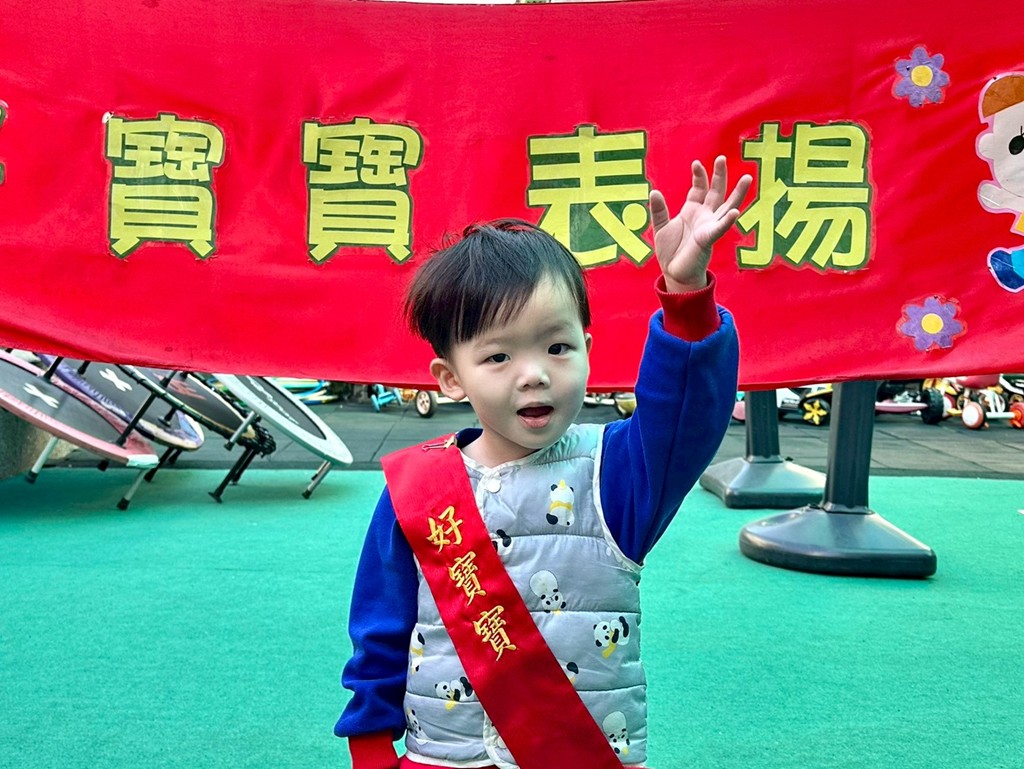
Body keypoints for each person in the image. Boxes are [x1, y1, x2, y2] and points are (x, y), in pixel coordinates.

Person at [336, 156, 750, 769]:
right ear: (450, 378)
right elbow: (379, 628)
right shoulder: (417, 488)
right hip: (442, 757)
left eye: (557, 347)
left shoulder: (616, 474)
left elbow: (687, 417)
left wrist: (686, 297)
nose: (534, 374)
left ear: (587, 347)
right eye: (497, 357)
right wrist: (371, 748)